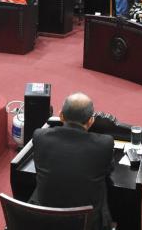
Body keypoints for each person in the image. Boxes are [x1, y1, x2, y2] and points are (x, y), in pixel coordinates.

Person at [30, 92, 113, 230]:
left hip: (44, 223)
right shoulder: (105, 143)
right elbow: (108, 170)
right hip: (86, 225)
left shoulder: (40, 136)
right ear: (91, 121)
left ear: (61, 115)